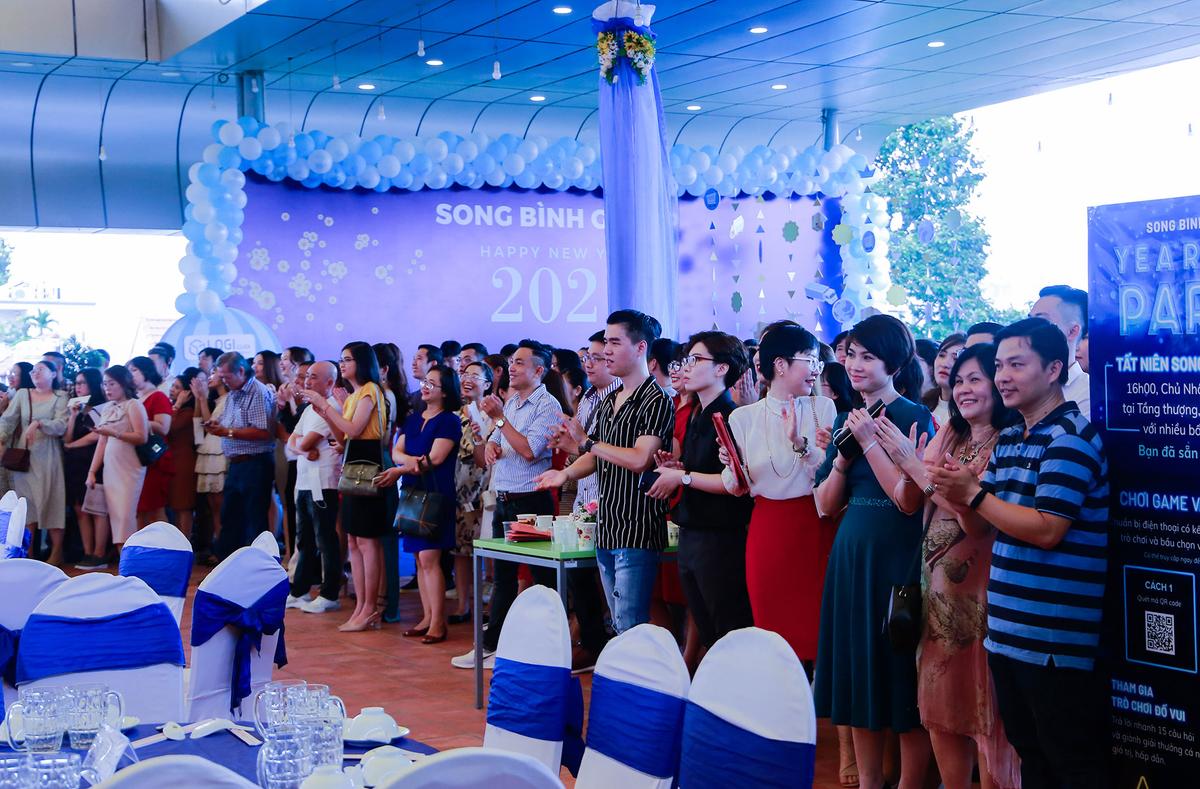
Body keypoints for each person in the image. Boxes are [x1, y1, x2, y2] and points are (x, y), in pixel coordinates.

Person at [931, 317, 1109, 789]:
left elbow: (1048, 529)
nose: (1003, 377)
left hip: (1054, 639)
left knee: (1070, 763)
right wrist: (957, 493)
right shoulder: (1011, 438)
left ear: (1054, 369)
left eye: (1016, 364)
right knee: (1032, 756)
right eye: (999, 366)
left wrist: (973, 495)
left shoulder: (1070, 438)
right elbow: (980, 526)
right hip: (1007, 633)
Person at [875, 345, 1020, 789]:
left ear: (998, 383)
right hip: (937, 595)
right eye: (958, 381)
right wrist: (909, 467)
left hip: (984, 596)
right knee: (940, 710)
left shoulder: (1010, 441)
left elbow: (976, 519)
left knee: (987, 714)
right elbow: (907, 500)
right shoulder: (951, 434)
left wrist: (916, 467)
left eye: (975, 379)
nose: (963, 389)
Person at [813, 314, 935, 789]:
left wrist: (869, 443)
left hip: (897, 555)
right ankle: (868, 781)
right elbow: (825, 505)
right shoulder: (846, 418)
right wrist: (843, 459)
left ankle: (910, 781)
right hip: (851, 553)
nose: (855, 365)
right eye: (851, 355)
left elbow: (908, 501)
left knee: (900, 671)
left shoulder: (913, 416)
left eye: (868, 357)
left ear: (895, 364)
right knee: (858, 670)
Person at [540, 310, 675, 634]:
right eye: (606, 342)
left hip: (637, 527)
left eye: (615, 342)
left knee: (630, 625)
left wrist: (587, 442)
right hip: (607, 525)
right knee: (618, 623)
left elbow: (639, 458)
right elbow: (597, 456)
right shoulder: (610, 398)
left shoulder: (656, 399)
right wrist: (566, 475)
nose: (606, 351)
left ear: (641, 348)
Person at [716, 323, 837, 661]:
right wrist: (731, 465)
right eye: (809, 360)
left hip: (815, 523)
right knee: (772, 625)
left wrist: (799, 443)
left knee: (818, 622)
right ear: (780, 365)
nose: (816, 370)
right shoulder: (743, 418)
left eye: (817, 362)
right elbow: (735, 486)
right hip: (768, 528)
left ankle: (817, 688)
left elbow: (826, 472)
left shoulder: (823, 409)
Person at [450, 340, 563, 670]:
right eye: (512, 362)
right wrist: (490, 447)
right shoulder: (512, 401)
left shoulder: (547, 404)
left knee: (543, 580)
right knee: (503, 577)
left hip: (531, 502)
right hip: (503, 498)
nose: (512, 368)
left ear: (539, 370)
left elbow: (528, 450)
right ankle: (492, 646)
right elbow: (496, 444)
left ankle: (547, 649)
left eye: (520, 363)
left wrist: (499, 419)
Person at [646, 331, 755, 652]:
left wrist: (682, 478)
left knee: (727, 631)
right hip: (691, 532)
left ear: (722, 368)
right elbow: (700, 471)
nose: (686, 367)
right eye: (686, 360)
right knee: (707, 629)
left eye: (696, 360)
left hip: (720, 538)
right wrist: (677, 469)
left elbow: (735, 484)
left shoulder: (731, 416)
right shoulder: (698, 414)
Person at [303, 342, 387, 632]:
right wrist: (325, 413)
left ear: (362, 362)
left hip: (368, 463)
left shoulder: (370, 390)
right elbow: (343, 437)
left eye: (348, 359)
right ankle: (361, 606)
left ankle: (370, 607)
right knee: (352, 540)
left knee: (366, 541)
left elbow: (354, 430)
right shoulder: (353, 396)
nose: (343, 364)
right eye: (341, 359)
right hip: (353, 463)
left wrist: (326, 405)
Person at [377, 365, 462, 644]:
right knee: (418, 558)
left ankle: (438, 622)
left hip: (436, 494)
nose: (425, 387)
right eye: (425, 381)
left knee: (429, 558)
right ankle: (427, 617)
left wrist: (403, 468)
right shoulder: (413, 418)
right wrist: (410, 464)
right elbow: (397, 451)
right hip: (413, 492)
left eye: (432, 383)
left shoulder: (449, 421)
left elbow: (435, 459)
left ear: (445, 391)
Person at [288, 361, 343, 614]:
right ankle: (299, 591)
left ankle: (329, 593)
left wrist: (301, 448)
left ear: (329, 382)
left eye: (313, 377)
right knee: (304, 539)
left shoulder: (330, 407)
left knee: (325, 539)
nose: (307, 381)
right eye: (306, 376)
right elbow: (292, 442)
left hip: (323, 482)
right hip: (304, 481)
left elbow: (305, 442)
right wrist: (302, 450)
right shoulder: (309, 408)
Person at [0, 360, 68, 564]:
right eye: (33, 370)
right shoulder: (23, 394)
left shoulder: (60, 396)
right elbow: (8, 420)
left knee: (52, 502)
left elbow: (61, 425)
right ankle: (27, 555)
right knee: (25, 504)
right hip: (24, 457)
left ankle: (56, 553)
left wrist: (39, 423)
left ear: (53, 374)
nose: (35, 373)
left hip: (49, 456)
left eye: (40, 369)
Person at [210, 351, 276, 557]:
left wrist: (227, 432)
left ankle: (257, 564)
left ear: (240, 371)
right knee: (230, 516)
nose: (224, 381)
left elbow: (263, 431)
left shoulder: (257, 392)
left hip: (255, 463)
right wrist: (217, 426)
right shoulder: (233, 393)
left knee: (254, 518)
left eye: (226, 377)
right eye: (221, 377)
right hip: (236, 463)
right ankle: (228, 563)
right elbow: (231, 424)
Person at [449, 360, 493, 624]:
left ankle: (488, 604)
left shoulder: (493, 415)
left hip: (484, 488)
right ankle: (463, 605)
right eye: (465, 374)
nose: (467, 379)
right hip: (458, 489)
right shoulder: (455, 415)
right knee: (460, 548)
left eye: (475, 376)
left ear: (487, 384)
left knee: (486, 547)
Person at [88, 366, 148, 552]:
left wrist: (115, 433)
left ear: (124, 383)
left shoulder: (134, 405)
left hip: (129, 467)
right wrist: (92, 471)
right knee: (116, 516)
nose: (107, 388)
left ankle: (131, 560)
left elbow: (142, 437)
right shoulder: (107, 408)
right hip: (111, 468)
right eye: (105, 384)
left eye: (112, 383)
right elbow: (101, 442)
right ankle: (124, 559)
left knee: (125, 515)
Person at [65, 367, 111, 569]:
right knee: (79, 508)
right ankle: (88, 552)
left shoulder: (103, 407)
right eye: (77, 383)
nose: (78, 387)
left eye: (82, 382)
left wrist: (72, 445)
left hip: (94, 462)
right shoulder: (78, 409)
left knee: (97, 508)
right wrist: (73, 416)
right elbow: (67, 438)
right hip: (75, 465)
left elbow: (97, 435)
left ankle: (100, 553)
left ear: (93, 383)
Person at [128, 356, 175, 528]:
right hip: (135, 459)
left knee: (154, 510)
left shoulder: (158, 396)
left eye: (134, 370)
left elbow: (164, 427)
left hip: (152, 458)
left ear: (146, 371)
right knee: (139, 510)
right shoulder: (133, 398)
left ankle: (165, 543)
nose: (130, 375)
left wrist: (137, 421)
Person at [1030, 284, 1089, 417]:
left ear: (1072, 331)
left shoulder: (1089, 395)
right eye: (1029, 320)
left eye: (1041, 321)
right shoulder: (1021, 386)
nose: (1029, 329)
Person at [193, 369, 228, 561]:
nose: (210, 376)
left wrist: (201, 398)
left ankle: (224, 548)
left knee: (221, 504)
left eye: (215, 371)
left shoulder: (230, 398)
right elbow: (204, 426)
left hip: (220, 449)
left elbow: (210, 425)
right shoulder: (218, 400)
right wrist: (201, 399)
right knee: (213, 504)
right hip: (210, 448)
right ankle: (219, 547)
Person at [167, 369, 200, 538]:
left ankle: (185, 542)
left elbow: (170, 428)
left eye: (177, 387)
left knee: (183, 505)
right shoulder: (174, 409)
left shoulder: (187, 413)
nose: (172, 389)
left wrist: (177, 404)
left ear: (187, 393)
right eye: (172, 386)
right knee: (175, 505)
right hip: (172, 460)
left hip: (183, 461)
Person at [922, 334, 966, 427]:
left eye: (955, 359)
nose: (945, 364)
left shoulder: (968, 414)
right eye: (942, 355)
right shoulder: (923, 404)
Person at [409, 344, 443, 414]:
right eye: (414, 359)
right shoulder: (412, 397)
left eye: (419, 358)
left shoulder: (442, 397)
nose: (413, 363)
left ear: (433, 364)